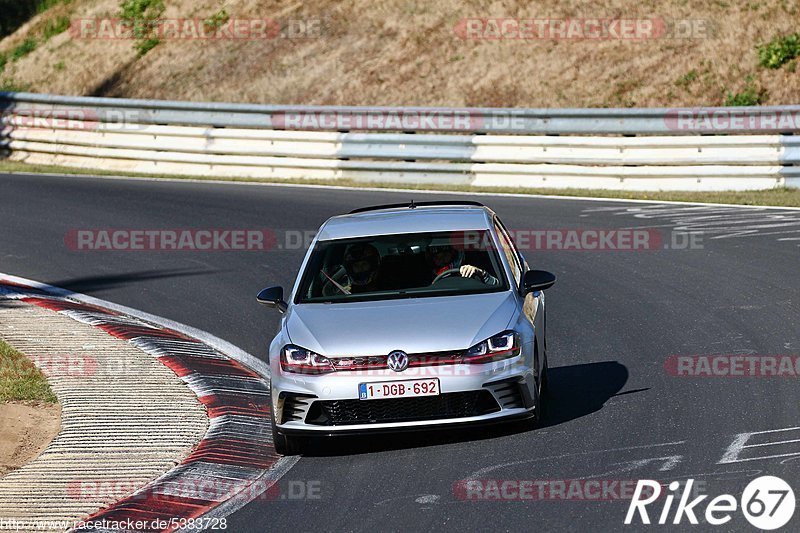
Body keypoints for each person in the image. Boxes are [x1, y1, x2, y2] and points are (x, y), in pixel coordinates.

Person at [426, 243, 499, 286]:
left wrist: (481, 273)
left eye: (444, 255)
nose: (440, 260)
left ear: (453, 253)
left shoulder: (474, 269)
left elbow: (497, 285)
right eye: (436, 257)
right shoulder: (425, 276)